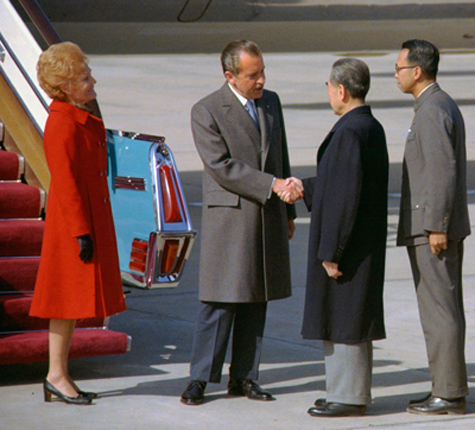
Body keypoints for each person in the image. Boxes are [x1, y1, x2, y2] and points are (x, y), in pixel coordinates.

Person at [180, 39, 302, 406]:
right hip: (231, 217)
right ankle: (200, 378)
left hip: (266, 213)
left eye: (263, 71)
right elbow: (221, 166)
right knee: (220, 301)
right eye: (253, 75)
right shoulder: (207, 110)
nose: (261, 80)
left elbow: (280, 156)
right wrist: (272, 186)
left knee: (256, 297)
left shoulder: (271, 102)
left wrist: (289, 210)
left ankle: (245, 376)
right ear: (230, 75)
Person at [283, 58, 388, 417]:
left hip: (349, 249)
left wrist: (332, 251)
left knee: (346, 320)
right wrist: (306, 188)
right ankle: (345, 391)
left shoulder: (348, 132)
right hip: (361, 244)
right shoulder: (368, 126)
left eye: (329, 87)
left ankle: (349, 396)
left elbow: (345, 198)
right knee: (349, 318)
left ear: (341, 90)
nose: (328, 93)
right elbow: (341, 184)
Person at [29, 42, 126, 405]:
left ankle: (58, 374)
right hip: (73, 224)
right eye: (85, 78)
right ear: (66, 86)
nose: (93, 82)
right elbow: (65, 182)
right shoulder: (61, 123)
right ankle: (56, 375)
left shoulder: (74, 117)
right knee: (64, 302)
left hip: (84, 219)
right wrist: (81, 232)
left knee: (68, 304)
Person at [394, 39, 470, 415]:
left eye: (399, 68)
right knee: (443, 309)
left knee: (440, 310)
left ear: (417, 71)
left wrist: (436, 225)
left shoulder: (431, 110)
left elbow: (442, 171)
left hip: (432, 230)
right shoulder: (435, 105)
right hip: (432, 226)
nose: (396, 75)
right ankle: (447, 386)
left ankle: (450, 393)